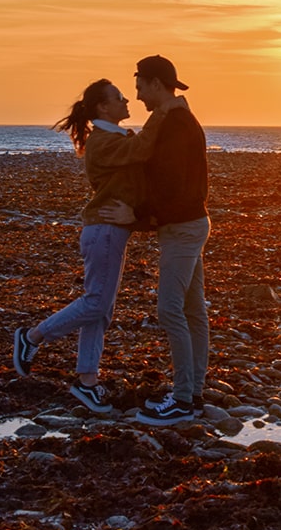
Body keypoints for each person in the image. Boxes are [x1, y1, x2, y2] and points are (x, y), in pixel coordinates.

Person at [12, 78, 185, 414]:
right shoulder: (103, 142)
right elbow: (141, 151)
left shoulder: (116, 137)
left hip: (112, 230)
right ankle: (32, 337)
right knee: (95, 302)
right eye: (119, 98)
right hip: (103, 229)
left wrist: (138, 216)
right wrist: (163, 111)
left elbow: (140, 164)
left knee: (101, 308)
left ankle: (87, 380)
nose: (127, 101)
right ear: (104, 107)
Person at [99, 55, 210, 426]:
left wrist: (142, 217)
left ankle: (181, 399)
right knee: (194, 312)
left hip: (181, 226)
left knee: (170, 311)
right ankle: (192, 395)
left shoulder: (176, 124)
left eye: (140, 88)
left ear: (157, 85)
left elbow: (173, 186)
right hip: (189, 224)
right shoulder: (178, 119)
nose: (139, 97)